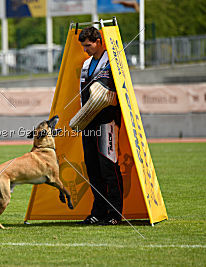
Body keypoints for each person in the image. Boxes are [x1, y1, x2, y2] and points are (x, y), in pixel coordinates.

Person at [76, 26, 123, 225]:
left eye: (88, 45)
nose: (85, 50)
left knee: (108, 166)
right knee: (92, 168)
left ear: (98, 41)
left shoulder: (112, 61)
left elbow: (121, 91)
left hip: (107, 120)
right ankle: (98, 212)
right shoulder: (86, 64)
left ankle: (114, 214)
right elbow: (82, 94)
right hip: (89, 121)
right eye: (83, 46)